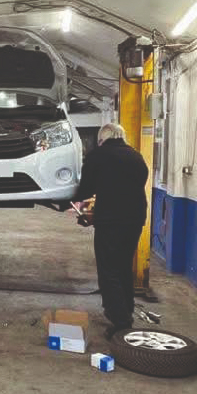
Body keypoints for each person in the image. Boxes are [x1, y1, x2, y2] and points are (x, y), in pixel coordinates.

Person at [71, 123, 149, 340]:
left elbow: (86, 189)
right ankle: (126, 310)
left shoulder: (99, 156)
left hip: (111, 221)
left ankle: (120, 321)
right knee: (123, 266)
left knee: (109, 270)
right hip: (135, 219)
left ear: (101, 139)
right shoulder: (136, 156)